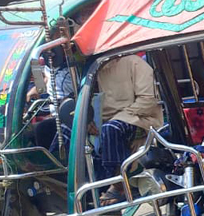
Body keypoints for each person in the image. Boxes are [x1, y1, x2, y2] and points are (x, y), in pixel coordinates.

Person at [56, 53, 163, 205]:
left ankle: (119, 185)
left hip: (138, 118)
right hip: (102, 121)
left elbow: (148, 101)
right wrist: (87, 121)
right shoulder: (91, 68)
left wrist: (116, 118)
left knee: (111, 128)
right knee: (68, 129)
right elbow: (81, 100)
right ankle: (61, 179)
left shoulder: (135, 63)